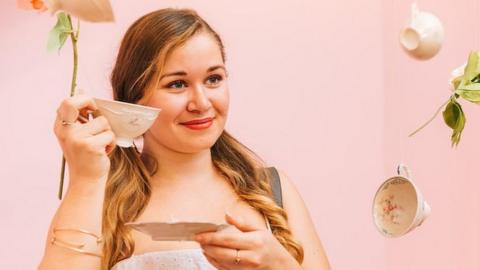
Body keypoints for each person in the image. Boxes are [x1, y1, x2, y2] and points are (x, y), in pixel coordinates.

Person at [38, 8, 330, 270]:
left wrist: (278, 264)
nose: (201, 102)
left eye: (213, 79)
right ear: (135, 97)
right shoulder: (99, 202)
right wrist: (87, 180)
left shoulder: (271, 190)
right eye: (177, 84)